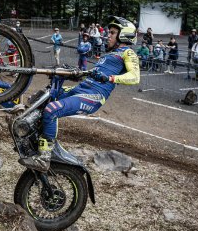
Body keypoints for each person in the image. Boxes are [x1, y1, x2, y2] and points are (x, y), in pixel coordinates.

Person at [19, 16, 140, 172]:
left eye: (112, 33)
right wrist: (74, 74)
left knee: (52, 109)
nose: (107, 35)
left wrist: (110, 78)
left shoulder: (128, 53)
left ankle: (44, 158)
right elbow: (92, 73)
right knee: (45, 96)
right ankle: (32, 138)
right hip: (82, 88)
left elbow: (135, 77)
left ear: (123, 35)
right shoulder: (110, 54)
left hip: (94, 95)